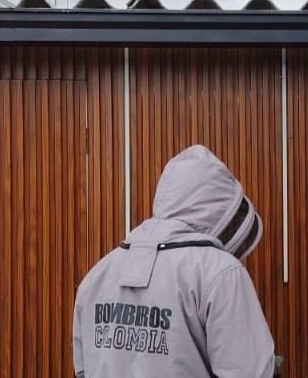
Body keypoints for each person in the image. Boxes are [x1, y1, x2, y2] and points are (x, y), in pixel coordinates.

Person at [72, 144, 278, 377]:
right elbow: (249, 371)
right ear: (220, 208)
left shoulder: (98, 274)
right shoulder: (221, 272)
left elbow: (83, 369)